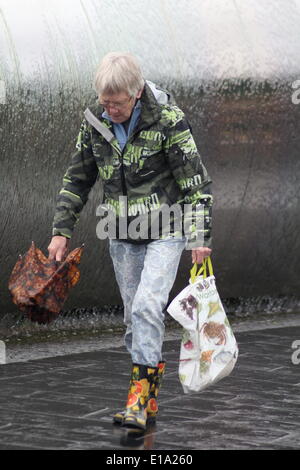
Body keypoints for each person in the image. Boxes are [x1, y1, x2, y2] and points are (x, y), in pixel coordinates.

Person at [48, 52, 213, 431]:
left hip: (167, 230)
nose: (111, 110)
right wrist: (61, 231)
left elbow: (195, 183)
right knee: (132, 319)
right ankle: (146, 397)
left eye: (117, 103)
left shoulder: (169, 120)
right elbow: (77, 178)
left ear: (136, 93)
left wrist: (200, 236)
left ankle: (140, 401)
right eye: (105, 102)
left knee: (146, 307)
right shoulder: (95, 122)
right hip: (122, 233)